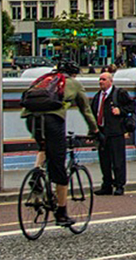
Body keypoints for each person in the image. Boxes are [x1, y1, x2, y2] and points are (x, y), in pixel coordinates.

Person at [21, 61, 99, 228]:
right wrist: (95, 131)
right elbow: (86, 110)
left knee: (43, 147)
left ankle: (37, 172)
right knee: (59, 170)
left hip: (31, 118)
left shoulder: (44, 79)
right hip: (52, 120)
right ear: (75, 74)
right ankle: (62, 214)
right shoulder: (74, 84)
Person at [90, 70, 134, 195]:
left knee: (118, 160)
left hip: (116, 132)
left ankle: (120, 185)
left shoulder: (119, 94)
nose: (101, 82)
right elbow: (94, 114)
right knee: (104, 161)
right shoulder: (98, 96)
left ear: (110, 81)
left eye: (104, 79)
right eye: (100, 79)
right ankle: (107, 185)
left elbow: (132, 106)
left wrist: (120, 110)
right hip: (102, 132)